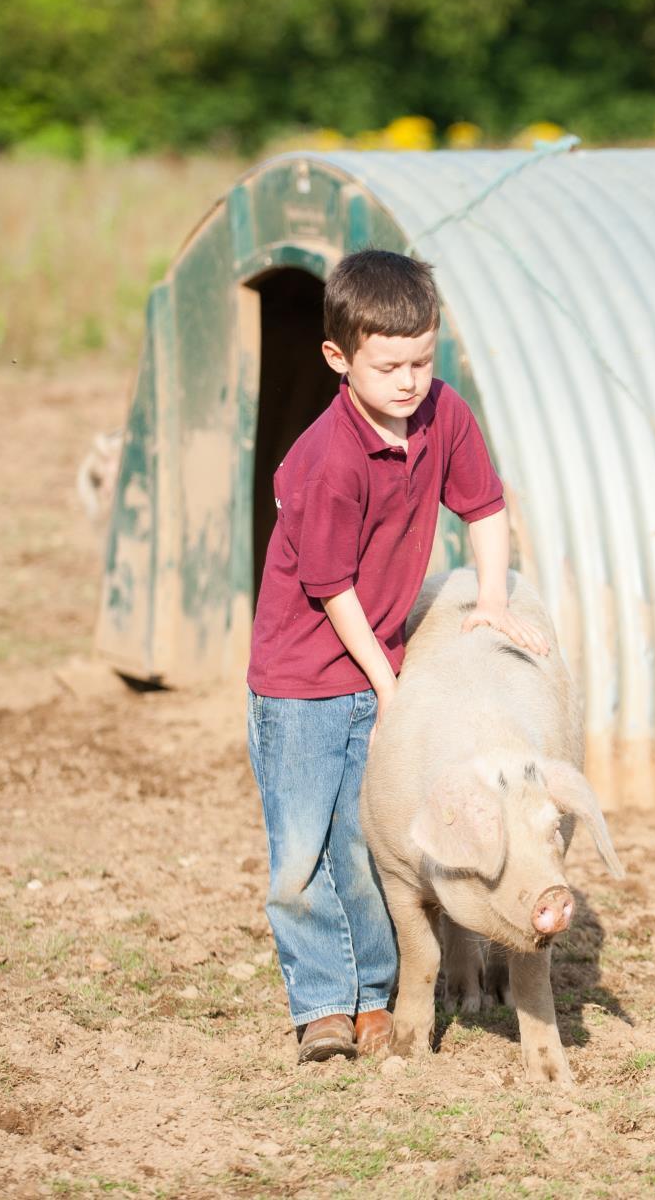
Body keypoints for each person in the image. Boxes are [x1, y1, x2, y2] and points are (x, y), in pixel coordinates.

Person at [246, 248, 549, 1063]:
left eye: (423, 359)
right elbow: (334, 589)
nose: (410, 380)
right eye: (389, 366)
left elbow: (484, 506)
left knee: (374, 844)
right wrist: (392, 690)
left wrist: (490, 601)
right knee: (303, 851)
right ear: (338, 360)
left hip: (380, 665)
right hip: (303, 681)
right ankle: (320, 1007)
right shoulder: (327, 459)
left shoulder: (442, 415)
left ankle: (373, 998)